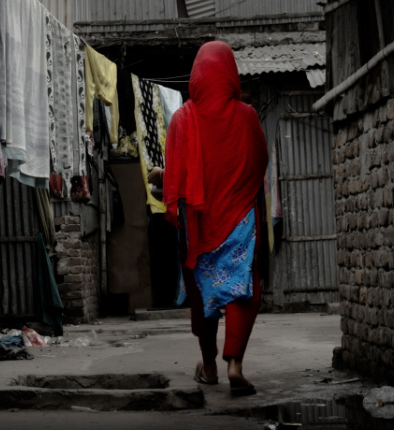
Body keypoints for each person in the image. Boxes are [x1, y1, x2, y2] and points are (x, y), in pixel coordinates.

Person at [148, 41, 268, 397]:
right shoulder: (248, 116)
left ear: (197, 76)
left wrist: (161, 175)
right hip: (240, 222)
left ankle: (210, 366)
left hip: (198, 226)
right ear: (230, 75)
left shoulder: (182, 119)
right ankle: (236, 366)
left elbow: (178, 176)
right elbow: (259, 164)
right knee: (241, 289)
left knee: (203, 293)